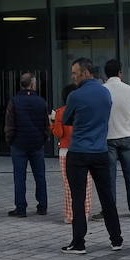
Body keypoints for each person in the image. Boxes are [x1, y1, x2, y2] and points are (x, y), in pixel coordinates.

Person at [60, 58, 123, 253]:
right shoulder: (105, 93)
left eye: (75, 72)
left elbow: (67, 119)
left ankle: (79, 242)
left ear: (86, 72)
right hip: (100, 152)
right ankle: (116, 239)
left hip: (78, 152)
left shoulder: (75, 95)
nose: (73, 76)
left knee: (78, 198)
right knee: (107, 197)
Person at [98, 59, 130, 220]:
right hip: (128, 135)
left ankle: (110, 209)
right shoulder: (129, 89)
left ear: (105, 74)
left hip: (109, 137)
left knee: (109, 177)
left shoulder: (103, 90)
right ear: (120, 73)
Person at [6, 72, 49, 218]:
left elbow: (10, 124)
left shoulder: (14, 101)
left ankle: (21, 208)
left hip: (19, 144)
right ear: (32, 84)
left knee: (19, 177)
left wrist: (10, 140)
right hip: (37, 144)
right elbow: (45, 124)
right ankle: (42, 206)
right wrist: (43, 138)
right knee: (40, 176)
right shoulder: (41, 101)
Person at [52, 85, 93, 224]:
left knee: (68, 185)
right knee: (86, 184)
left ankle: (70, 215)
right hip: (84, 150)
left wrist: (52, 123)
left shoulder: (61, 112)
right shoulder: (85, 111)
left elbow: (59, 133)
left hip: (65, 152)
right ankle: (85, 213)